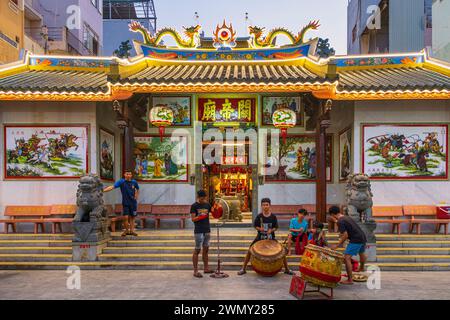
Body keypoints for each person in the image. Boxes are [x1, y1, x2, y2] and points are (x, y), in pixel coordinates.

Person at [237, 198, 294, 276]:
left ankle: (287, 269)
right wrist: (260, 229)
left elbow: (276, 227)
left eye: (267, 205)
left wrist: (271, 230)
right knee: (249, 251)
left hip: (271, 237)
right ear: (261, 206)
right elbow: (255, 226)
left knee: (282, 251)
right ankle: (243, 269)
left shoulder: (273, 217)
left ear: (270, 206)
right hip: (260, 237)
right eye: (263, 205)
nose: (265, 206)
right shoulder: (259, 216)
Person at [329, 206, 367, 285]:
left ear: (332, 214)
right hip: (362, 236)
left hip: (356, 239)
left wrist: (337, 245)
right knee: (361, 252)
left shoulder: (340, 221)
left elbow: (345, 235)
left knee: (347, 258)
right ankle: (362, 268)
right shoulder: (346, 217)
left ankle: (350, 280)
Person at [103, 169, 140, 237]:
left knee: (132, 217)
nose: (128, 175)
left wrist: (136, 195)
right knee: (125, 217)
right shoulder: (121, 182)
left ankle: (132, 231)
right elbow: (113, 186)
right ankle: (126, 230)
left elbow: (137, 188)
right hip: (125, 202)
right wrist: (103, 190)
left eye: (130, 174)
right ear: (124, 175)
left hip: (133, 203)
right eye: (127, 174)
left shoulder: (134, 182)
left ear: (131, 175)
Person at [190, 190, 216, 278]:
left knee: (206, 250)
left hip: (207, 229)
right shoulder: (194, 206)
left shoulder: (207, 204)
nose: (203, 199)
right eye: (202, 198)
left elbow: (214, 212)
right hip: (198, 230)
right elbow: (193, 219)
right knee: (197, 250)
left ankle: (206, 268)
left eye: (204, 198)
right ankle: (195, 271)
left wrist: (217, 207)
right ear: (198, 197)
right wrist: (200, 217)